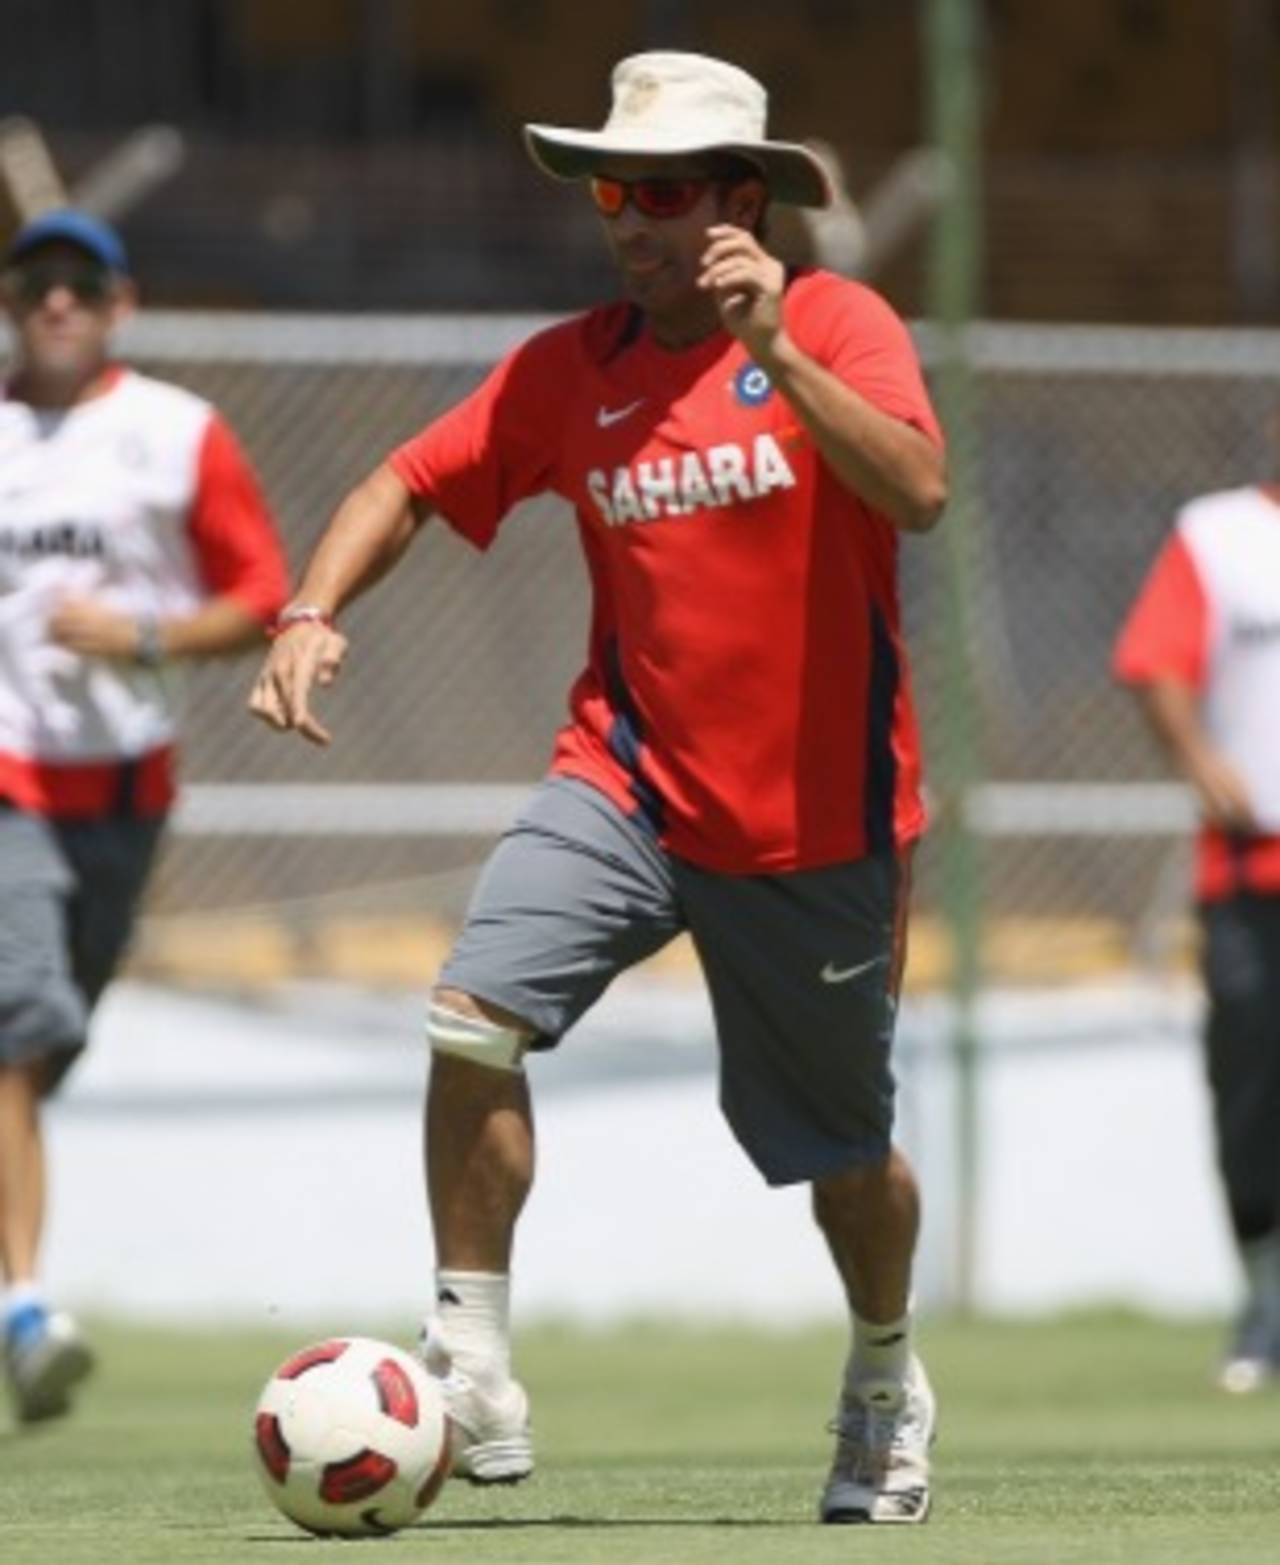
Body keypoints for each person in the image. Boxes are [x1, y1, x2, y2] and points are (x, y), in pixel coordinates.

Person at [250, 52, 947, 1522]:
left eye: (664, 191)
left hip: (816, 829)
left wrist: (787, 355)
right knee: (472, 1012)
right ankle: (476, 1361)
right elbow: (407, 483)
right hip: (624, 783)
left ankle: (883, 1375)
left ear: (742, 202)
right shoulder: (572, 369)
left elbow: (918, 490)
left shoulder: (840, 322)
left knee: (846, 1156)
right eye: (611, 191)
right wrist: (310, 610)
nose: (628, 219)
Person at [0, 209, 289, 1422]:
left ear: (119, 304)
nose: (56, 303)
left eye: (79, 285)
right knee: (16, 1027)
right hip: (6, 781)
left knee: (49, 1052)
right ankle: (25, 1310)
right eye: (35, 285)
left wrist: (145, 632)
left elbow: (263, 591)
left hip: (123, 792)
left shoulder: (175, 434)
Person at [1114, 464, 1280, 1394]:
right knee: (1251, 1100)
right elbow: (1152, 661)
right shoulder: (1218, 534)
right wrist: (1198, 755)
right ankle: (1265, 1299)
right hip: (1252, 873)